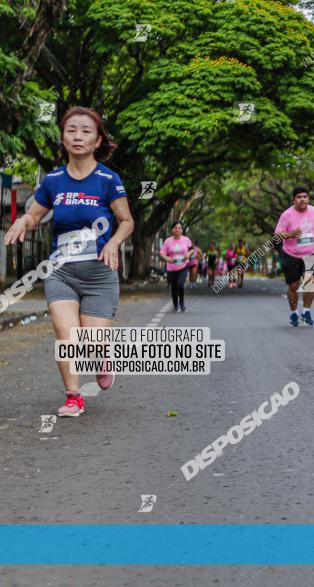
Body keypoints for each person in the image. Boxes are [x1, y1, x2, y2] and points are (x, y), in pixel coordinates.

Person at [3, 106, 134, 416]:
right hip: (61, 272)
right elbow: (35, 214)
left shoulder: (107, 179)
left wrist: (114, 242)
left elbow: (126, 221)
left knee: (91, 341)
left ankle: (103, 357)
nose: (78, 136)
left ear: (98, 140)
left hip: (100, 275)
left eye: (86, 131)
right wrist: (23, 222)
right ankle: (73, 396)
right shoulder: (54, 180)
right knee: (66, 335)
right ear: (62, 137)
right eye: (71, 129)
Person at [273, 187, 314, 327]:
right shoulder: (287, 215)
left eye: (305, 196)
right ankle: (294, 313)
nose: (302, 199)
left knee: (311, 283)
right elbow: (277, 235)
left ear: (308, 198)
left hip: (312, 251)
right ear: (294, 200)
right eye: (299, 197)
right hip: (291, 254)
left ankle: (306, 311)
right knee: (293, 286)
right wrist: (291, 234)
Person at [159, 222, 192, 312]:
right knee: (173, 287)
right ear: (172, 229)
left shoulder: (186, 240)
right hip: (171, 268)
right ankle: (175, 304)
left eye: (179, 228)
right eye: (175, 227)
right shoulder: (167, 241)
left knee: (180, 284)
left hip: (183, 266)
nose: (177, 229)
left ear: (182, 230)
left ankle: (182, 303)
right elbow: (162, 253)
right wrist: (167, 258)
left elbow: (192, 249)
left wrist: (188, 254)